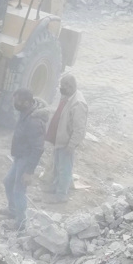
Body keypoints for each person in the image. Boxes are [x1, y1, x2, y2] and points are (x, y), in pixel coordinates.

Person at [0, 89, 48, 228]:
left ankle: (21, 222)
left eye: (17, 102)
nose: (15, 104)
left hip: (26, 160)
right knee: (8, 182)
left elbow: (38, 148)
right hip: (19, 156)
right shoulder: (26, 113)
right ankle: (13, 210)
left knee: (19, 191)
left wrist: (29, 172)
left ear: (27, 102)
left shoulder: (34, 121)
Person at [45, 73, 87, 203]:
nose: (61, 89)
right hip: (60, 138)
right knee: (57, 165)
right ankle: (56, 186)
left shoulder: (78, 104)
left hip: (66, 142)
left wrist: (72, 144)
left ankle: (61, 195)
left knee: (65, 169)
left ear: (70, 86)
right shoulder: (67, 96)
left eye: (63, 86)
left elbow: (79, 129)